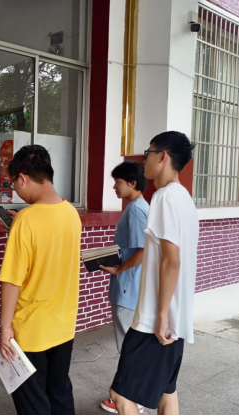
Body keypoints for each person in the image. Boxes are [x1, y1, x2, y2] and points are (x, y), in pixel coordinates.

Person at [110, 132, 199, 415]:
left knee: (121, 394)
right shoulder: (184, 197)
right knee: (166, 391)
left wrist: (160, 316)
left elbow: (171, 261)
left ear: (163, 156)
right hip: (176, 318)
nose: (143, 159)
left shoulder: (164, 197)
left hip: (154, 322)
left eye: (148, 153)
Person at [0, 145, 82, 416]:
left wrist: (4, 328)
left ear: (23, 178)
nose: (15, 189)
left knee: (33, 402)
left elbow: (12, 280)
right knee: (59, 391)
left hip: (32, 328)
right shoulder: (71, 212)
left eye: (13, 182)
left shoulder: (26, 220)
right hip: (64, 324)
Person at [100, 162, 149, 415]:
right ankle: (129, 395)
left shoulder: (137, 210)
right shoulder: (138, 207)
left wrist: (120, 269)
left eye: (118, 182)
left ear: (132, 183)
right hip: (130, 287)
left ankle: (132, 399)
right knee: (130, 345)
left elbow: (144, 249)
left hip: (129, 290)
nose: (114, 187)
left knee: (129, 347)